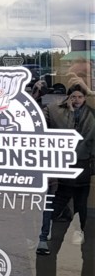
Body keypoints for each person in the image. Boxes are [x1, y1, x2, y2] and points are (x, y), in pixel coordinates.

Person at [35, 83, 95, 254]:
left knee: (81, 205)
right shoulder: (54, 110)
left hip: (82, 166)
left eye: (80, 97)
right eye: (73, 96)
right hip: (60, 167)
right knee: (52, 204)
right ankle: (43, 237)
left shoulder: (90, 114)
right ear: (68, 97)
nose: (76, 100)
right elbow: (51, 132)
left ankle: (84, 237)